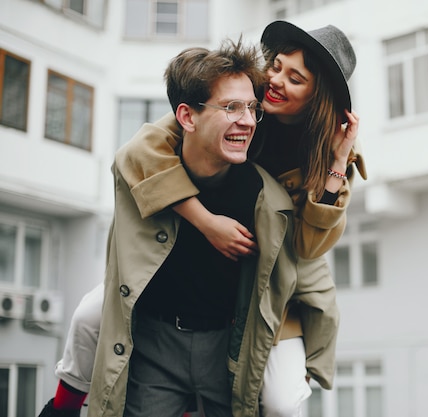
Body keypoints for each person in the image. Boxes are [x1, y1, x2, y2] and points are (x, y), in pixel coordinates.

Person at [39, 20, 364, 417]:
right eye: (276, 65)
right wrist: (205, 220)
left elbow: (308, 247)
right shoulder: (238, 100)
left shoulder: (330, 151)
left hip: (284, 273)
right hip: (211, 241)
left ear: (318, 96)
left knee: (281, 399)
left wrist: (334, 163)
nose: (275, 80)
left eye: (294, 78)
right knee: (92, 315)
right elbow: (139, 153)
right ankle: (61, 408)